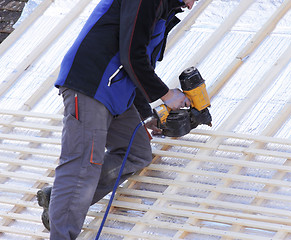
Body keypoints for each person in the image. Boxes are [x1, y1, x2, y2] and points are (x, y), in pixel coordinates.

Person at [36, 0, 198, 239]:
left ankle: (58, 200)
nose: (192, 5)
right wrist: (166, 95)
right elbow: (132, 55)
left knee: (137, 153)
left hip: (116, 92)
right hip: (91, 84)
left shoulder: (164, 8)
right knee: (82, 165)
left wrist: (147, 115)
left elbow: (139, 66)